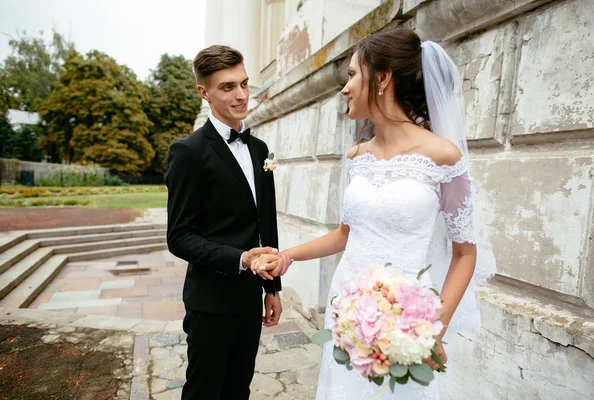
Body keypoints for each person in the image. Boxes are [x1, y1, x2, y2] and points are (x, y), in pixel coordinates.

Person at [253, 27, 496, 399]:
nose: (344, 88)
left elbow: (465, 254)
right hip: (348, 312)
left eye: (352, 75)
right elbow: (346, 234)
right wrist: (288, 256)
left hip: (405, 322)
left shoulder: (444, 157)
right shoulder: (357, 158)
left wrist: (430, 330)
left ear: (382, 79)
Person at [166, 45, 292, 400]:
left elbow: (267, 224)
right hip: (210, 301)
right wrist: (242, 259)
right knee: (204, 392)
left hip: (249, 298)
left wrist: (273, 288)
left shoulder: (260, 149)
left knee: (239, 389)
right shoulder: (188, 152)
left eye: (244, 84)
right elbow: (179, 236)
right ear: (203, 92)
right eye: (227, 87)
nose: (240, 95)